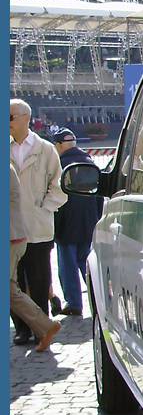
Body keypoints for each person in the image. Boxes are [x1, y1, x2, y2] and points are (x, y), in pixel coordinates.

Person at [10, 99, 67, 346]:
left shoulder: (45, 149)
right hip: (12, 228)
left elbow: (59, 185)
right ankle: (22, 328)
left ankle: (41, 326)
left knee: (39, 279)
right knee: (15, 282)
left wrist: (44, 209)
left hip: (37, 226)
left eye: (10, 117)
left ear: (26, 118)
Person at [52, 129, 104, 316]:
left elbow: (55, 197)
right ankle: (99, 300)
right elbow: (100, 195)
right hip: (88, 222)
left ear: (58, 146)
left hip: (66, 224)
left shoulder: (59, 165)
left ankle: (74, 303)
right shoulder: (90, 162)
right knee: (86, 263)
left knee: (68, 265)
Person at [10, 163, 61, 351]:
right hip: (13, 237)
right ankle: (44, 327)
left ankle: (45, 326)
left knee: (10, 290)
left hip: (12, 238)